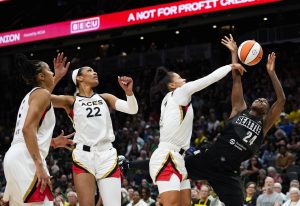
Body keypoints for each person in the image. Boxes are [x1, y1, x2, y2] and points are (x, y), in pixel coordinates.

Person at [185, 35, 286, 206]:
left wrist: (271, 73)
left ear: (267, 111)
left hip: (228, 173)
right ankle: (127, 165)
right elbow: (236, 78)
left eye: (264, 101)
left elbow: (281, 100)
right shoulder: (239, 109)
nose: (261, 99)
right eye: (259, 98)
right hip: (209, 158)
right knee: (169, 167)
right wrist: (234, 53)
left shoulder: (265, 125)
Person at [149, 59, 245, 206]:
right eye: (180, 78)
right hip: (166, 157)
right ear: (172, 85)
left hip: (179, 158)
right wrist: (230, 66)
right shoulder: (180, 93)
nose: (184, 79)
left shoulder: (167, 99)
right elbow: (208, 79)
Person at [51, 66, 138, 206]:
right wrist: (56, 77)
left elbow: (132, 109)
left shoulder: (105, 97)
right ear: (79, 78)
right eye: (89, 71)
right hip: (83, 156)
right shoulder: (70, 101)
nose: (95, 72)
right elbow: (41, 98)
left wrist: (129, 92)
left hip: (107, 155)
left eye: (94, 70)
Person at [3, 53, 74, 205]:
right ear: (41, 76)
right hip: (26, 158)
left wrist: (52, 142)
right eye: (49, 70)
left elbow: (31, 132)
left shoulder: (33, 96)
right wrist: (39, 166)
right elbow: (27, 130)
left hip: (14, 156)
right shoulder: (40, 94)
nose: (52, 73)